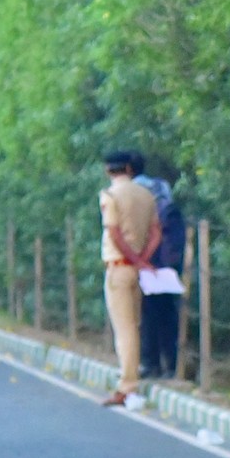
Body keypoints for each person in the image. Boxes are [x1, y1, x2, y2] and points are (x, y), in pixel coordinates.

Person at [98, 150, 161, 408]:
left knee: (124, 329)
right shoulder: (146, 195)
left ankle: (127, 385)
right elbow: (156, 233)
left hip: (119, 266)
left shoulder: (110, 196)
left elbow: (114, 233)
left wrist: (133, 259)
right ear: (129, 168)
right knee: (134, 324)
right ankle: (131, 377)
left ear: (108, 170)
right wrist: (143, 259)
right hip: (139, 269)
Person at [134, 158, 187, 382]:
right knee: (151, 318)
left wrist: (159, 266)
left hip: (160, 272)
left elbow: (172, 245)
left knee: (162, 318)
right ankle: (154, 364)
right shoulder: (160, 210)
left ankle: (167, 365)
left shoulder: (166, 212)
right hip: (152, 270)